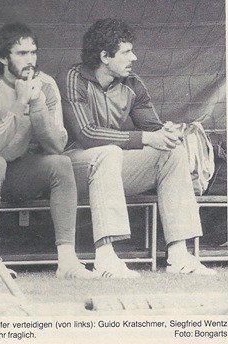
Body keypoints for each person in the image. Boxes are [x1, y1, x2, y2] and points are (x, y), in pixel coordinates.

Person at [56, 18, 216, 277]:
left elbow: (152, 129)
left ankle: (179, 255)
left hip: (111, 167)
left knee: (171, 152)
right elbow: (86, 134)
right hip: (72, 169)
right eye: (127, 52)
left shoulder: (132, 83)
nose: (135, 57)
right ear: (105, 56)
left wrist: (168, 132)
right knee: (108, 153)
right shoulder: (72, 78)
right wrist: (144, 138)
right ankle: (106, 257)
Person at [0, 22, 95, 281]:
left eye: (33, 52)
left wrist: (36, 105)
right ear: (4, 57)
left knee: (60, 163)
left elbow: (57, 145)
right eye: (21, 53)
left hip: (8, 169)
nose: (30, 60)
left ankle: (67, 261)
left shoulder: (45, 85)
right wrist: (20, 101)